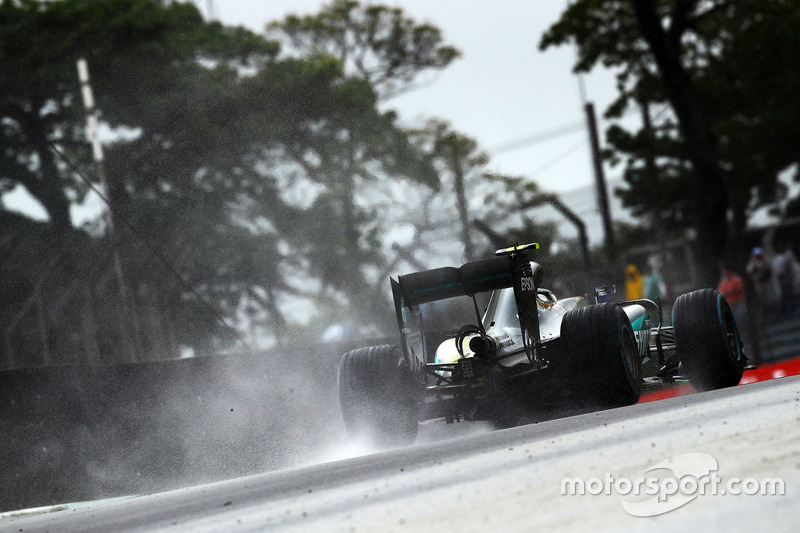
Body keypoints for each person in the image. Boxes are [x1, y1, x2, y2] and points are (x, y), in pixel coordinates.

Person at [747, 247, 776, 315]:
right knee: (762, 299)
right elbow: (749, 270)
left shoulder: (766, 260)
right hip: (759, 283)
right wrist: (754, 268)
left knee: (770, 298)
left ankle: (773, 312)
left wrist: (766, 268)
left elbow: (772, 268)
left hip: (768, 282)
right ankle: (766, 313)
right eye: (756, 255)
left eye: (759, 254)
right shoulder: (753, 262)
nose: (758, 256)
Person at [773, 242, 797, 316]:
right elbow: (776, 270)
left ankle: (792, 308)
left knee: (790, 293)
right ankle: (786, 309)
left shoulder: (787, 255)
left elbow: (790, 265)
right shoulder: (776, 258)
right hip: (782, 278)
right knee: (784, 294)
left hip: (788, 276)